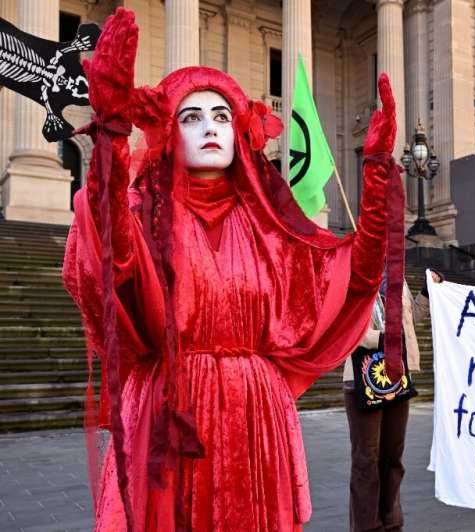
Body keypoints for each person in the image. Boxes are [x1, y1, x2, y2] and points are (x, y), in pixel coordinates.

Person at [62, 9, 403, 531]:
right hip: (170, 414)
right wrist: (108, 135)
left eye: (221, 116)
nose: (210, 128)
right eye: (191, 116)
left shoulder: (269, 227)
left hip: (255, 419)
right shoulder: (144, 214)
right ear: (167, 133)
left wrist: (377, 176)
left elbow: (352, 278)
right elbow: (109, 256)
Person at [343, 270, 442, 531]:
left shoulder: (397, 277)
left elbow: (408, 322)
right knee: (367, 460)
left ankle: (392, 523)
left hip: (398, 375)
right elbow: (348, 325)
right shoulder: (354, 271)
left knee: (393, 458)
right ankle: (367, 527)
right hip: (363, 376)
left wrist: (426, 296)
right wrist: (384, 339)